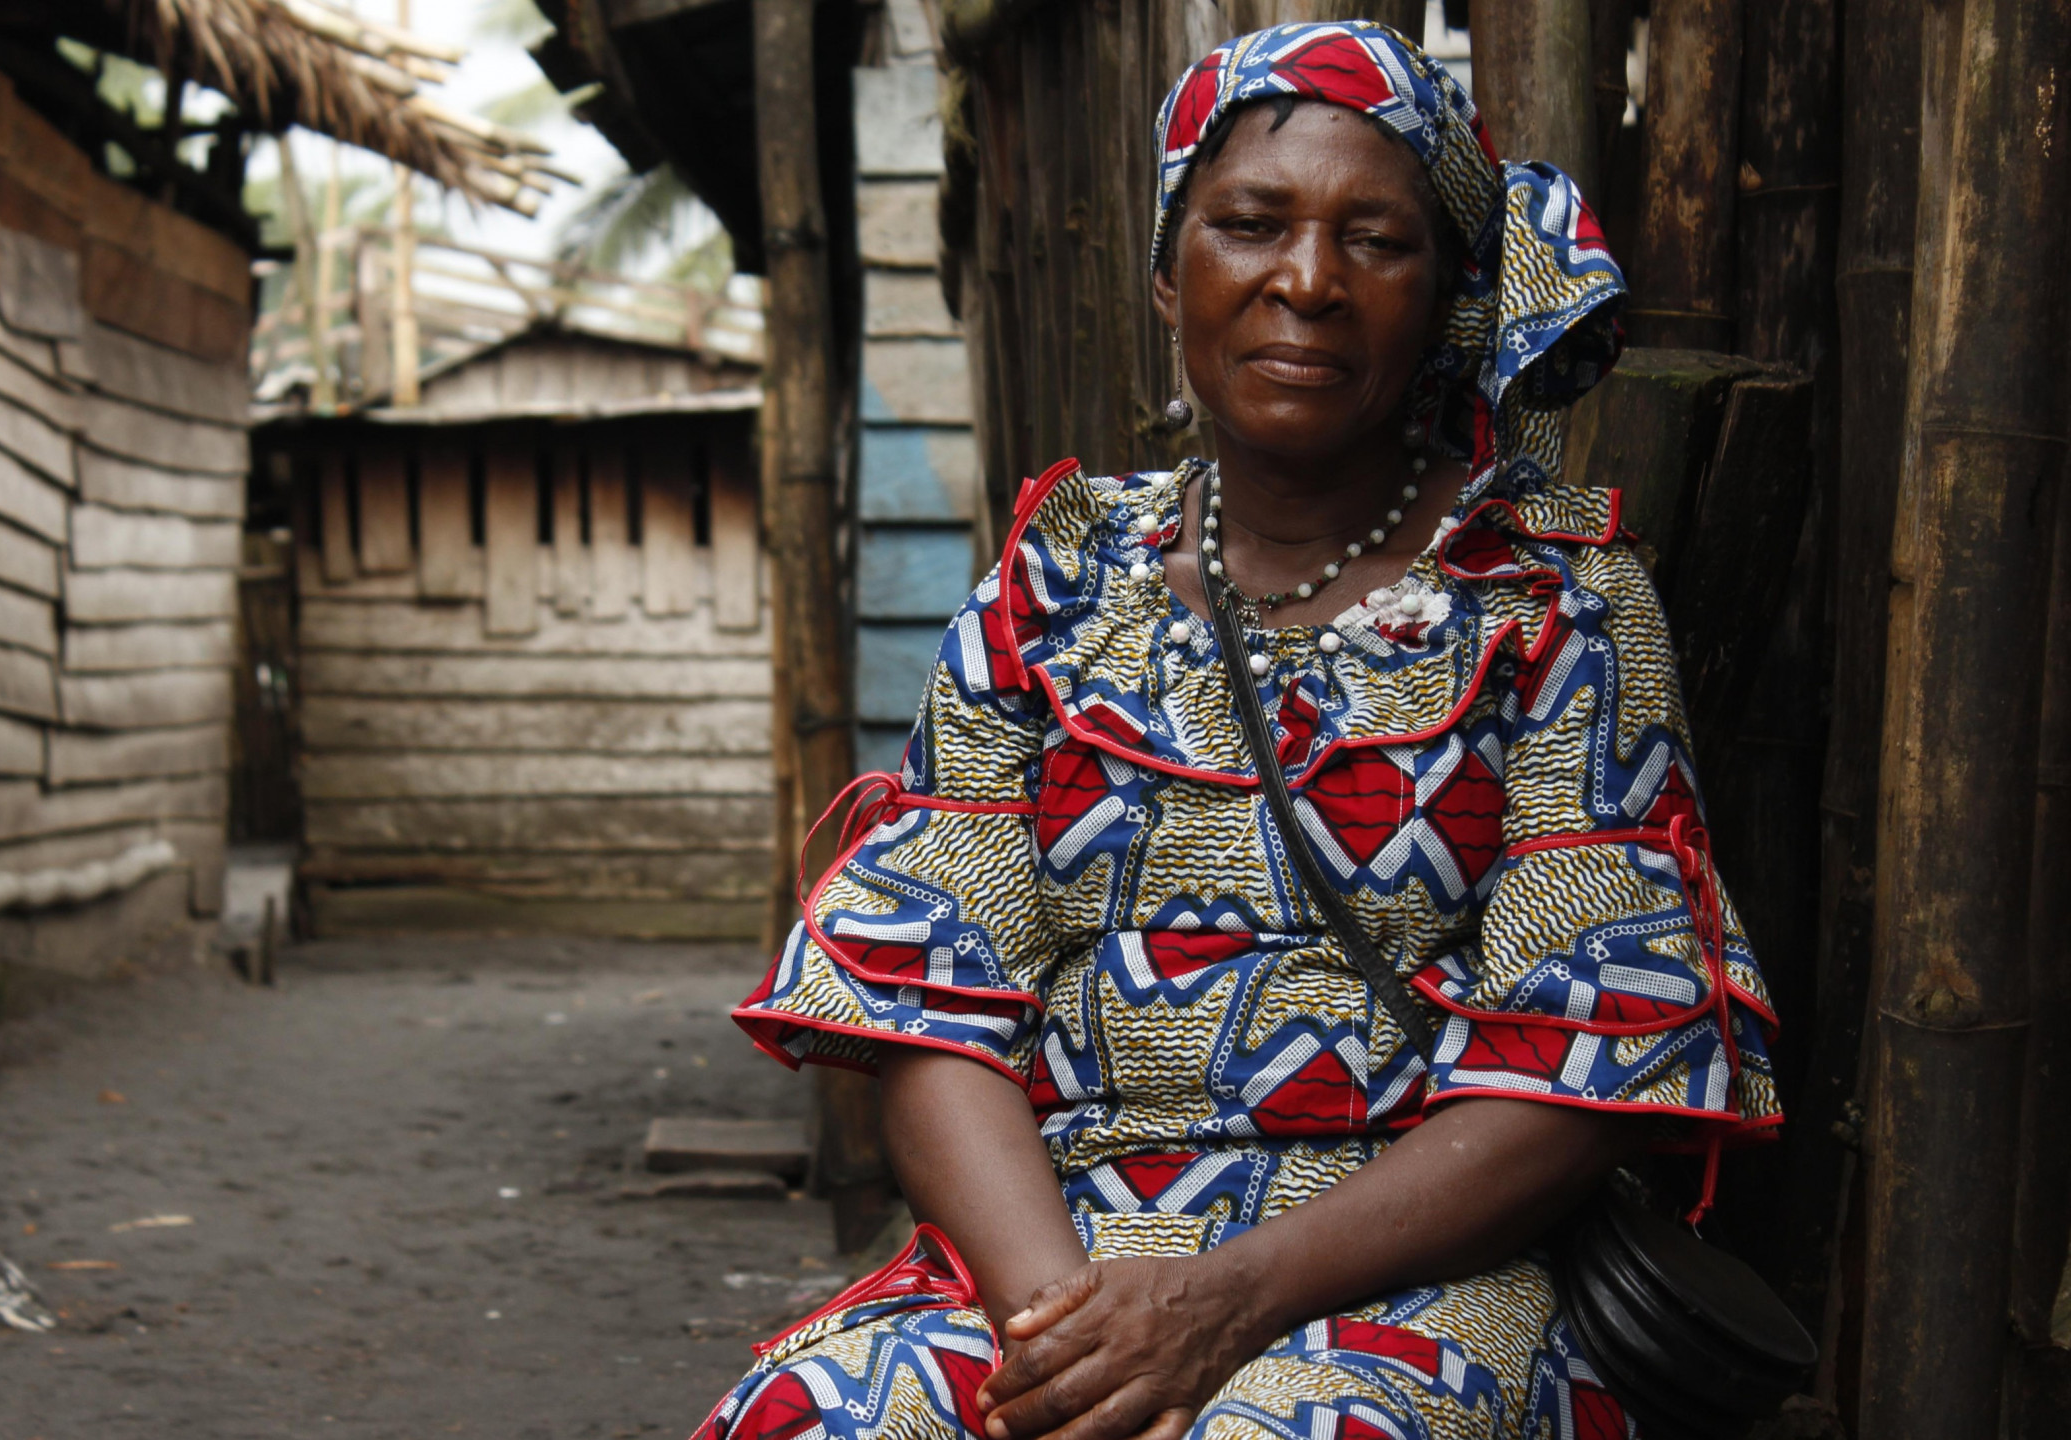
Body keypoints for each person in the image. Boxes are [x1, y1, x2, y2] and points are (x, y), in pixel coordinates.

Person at [690, 20, 1778, 1440]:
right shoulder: (1055, 584)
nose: (1307, 282)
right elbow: (927, 1002)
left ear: (1446, 293)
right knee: (822, 1415)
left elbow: (1591, 1058)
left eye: (1375, 240)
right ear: (1168, 271)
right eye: (1251, 224)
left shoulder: (1549, 604)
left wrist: (1219, 1306)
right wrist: (1073, 1340)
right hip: (1061, 1258)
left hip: (1410, 1278)